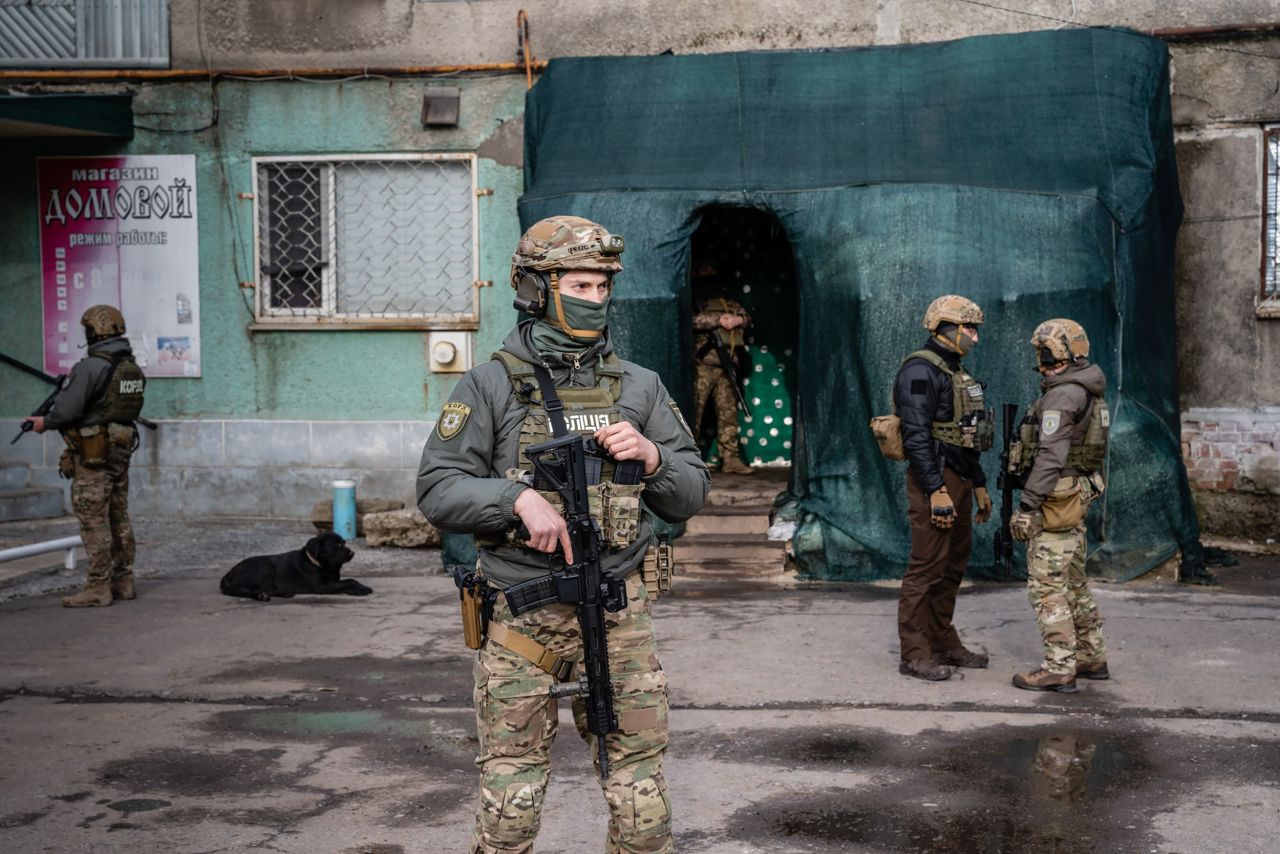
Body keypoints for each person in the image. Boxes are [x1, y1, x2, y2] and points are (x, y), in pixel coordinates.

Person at [417, 215, 709, 853]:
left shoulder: (639, 385)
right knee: (511, 801)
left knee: (642, 799)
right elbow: (436, 489)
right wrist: (515, 497)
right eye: (581, 283)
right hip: (523, 615)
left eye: (605, 287)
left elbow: (692, 491)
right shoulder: (490, 384)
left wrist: (654, 458)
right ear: (537, 288)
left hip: (618, 608)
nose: (596, 298)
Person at [893, 295, 994, 681]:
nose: (975, 338)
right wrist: (935, 490)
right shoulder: (919, 371)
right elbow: (916, 436)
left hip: (961, 477)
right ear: (946, 329)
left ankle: (942, 640)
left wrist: (979, 484)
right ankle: (914, 652)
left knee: (952, 566)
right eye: (970, 329)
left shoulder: (955, 372)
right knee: (926, 568)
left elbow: (965, 436)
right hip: (934, 478)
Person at [1008, 319, 1110, 693]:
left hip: (1055, 499)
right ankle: (1090, 655)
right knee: (1075, 582)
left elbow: (1050, 456)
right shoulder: (1087, 387)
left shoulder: (1063, 395)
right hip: (1075, 494)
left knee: (1047, 586)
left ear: (1060, 352)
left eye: (1044, 350)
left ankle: (1059, 667)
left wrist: (1027, 505)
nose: (1040, 357)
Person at [30, 304, 146, 607]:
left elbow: (67, 410)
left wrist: (45, 422)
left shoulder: (91, 366)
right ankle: (124, 581)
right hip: (120, 448)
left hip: (94, 453)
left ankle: (98, 587)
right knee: (118, 516)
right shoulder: (130, 365)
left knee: (93, 518)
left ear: (94, 331)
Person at [691, 262, 753, 475]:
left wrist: (737, 319)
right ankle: (689, 459)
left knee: (728, 415)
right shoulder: (695, 299)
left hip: (727, 365)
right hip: (703, 365)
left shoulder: (728, 301)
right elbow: (692, 321)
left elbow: (746, 319)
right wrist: (718, 320)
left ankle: (731, 459)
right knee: (694, 414)